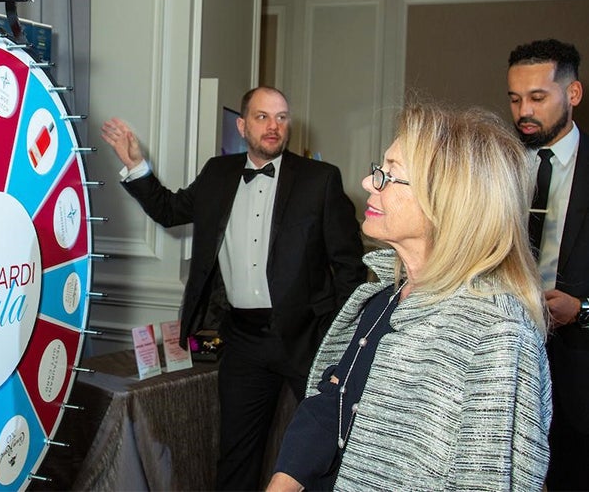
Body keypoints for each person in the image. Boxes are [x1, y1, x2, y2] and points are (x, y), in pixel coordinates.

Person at [267, 102, 552, 491]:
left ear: (448, 201)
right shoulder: (386, 295)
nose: (369, 183)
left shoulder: (495, 332)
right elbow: (335, 399)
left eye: (389, 175)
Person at [100, 86, 367, 490]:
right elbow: (171, 211)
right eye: (262, 117)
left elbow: (349, 266)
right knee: (237, 457)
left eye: (281, 117)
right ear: (242, 125)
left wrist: (338, 333)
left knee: (328, 449)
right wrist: (137, 166)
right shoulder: (218, 174)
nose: (274, 126)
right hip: (243, 339)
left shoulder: (320, 180)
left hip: (307, 338)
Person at [507, 38, 588, 491]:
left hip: (580, 372)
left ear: (572, 95)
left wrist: (583, 310)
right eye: (515, 99)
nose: (524, 112)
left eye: (537, 98)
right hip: (508, 363)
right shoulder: (498, 166)